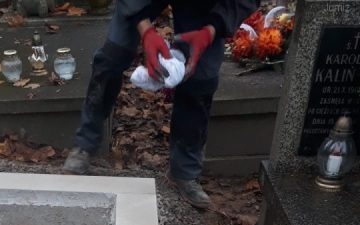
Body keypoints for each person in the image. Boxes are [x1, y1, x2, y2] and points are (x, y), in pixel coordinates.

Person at [63, 0, 260, 209]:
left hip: (204, 6)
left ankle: (184, 171)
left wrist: (210, 31)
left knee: (202, 79)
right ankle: (85, 144)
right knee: (113, 56)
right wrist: (146, 31)